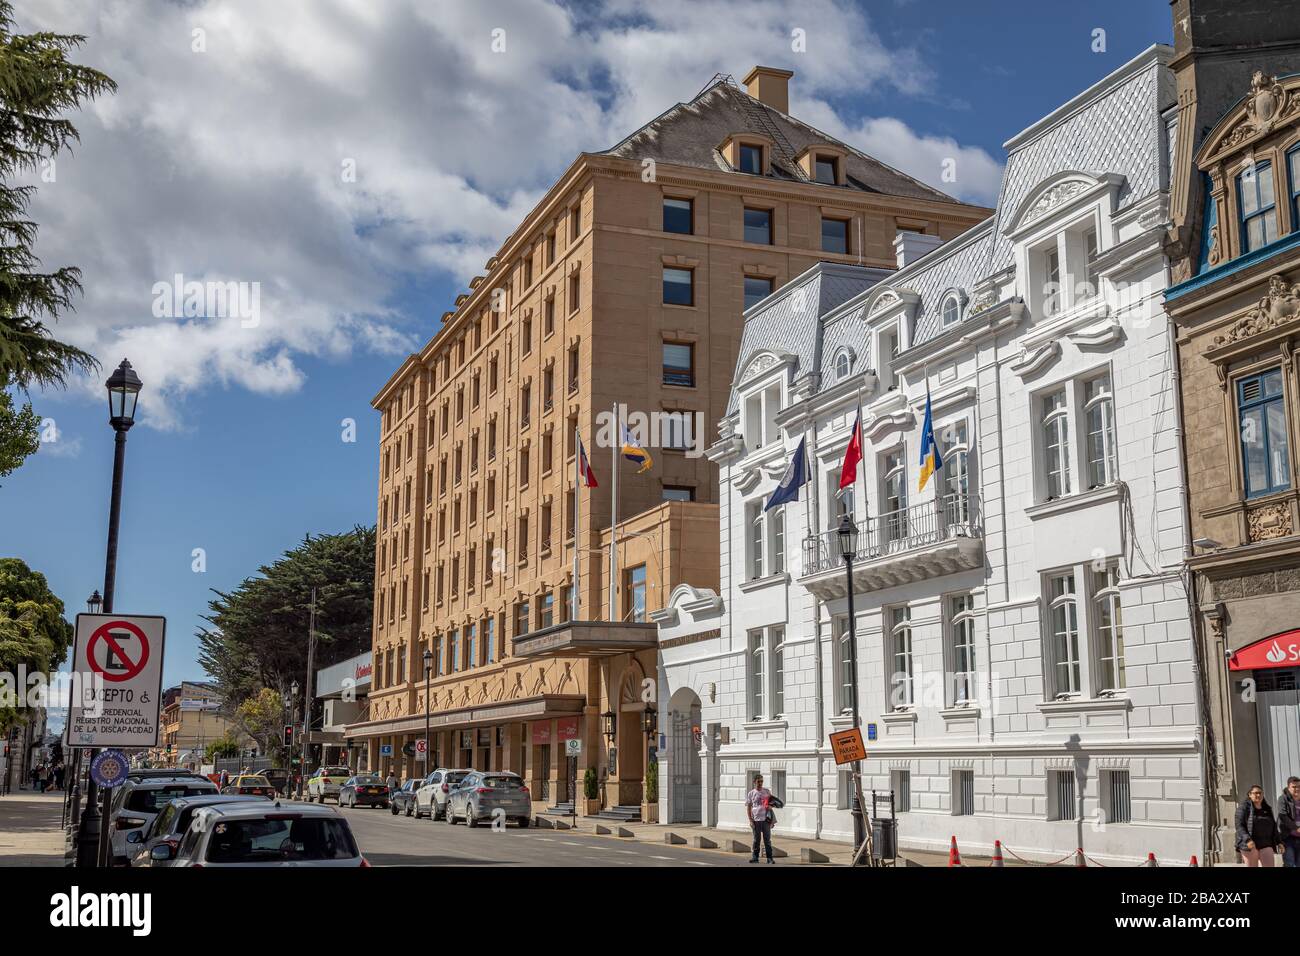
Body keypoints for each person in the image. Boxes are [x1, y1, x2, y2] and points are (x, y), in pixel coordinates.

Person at [1235, 784, 1280, 867]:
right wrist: (1247, 840)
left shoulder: (1267, 808)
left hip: (1266, 844)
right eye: (1255, 793)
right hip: (1250, 845)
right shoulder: (1243, 808)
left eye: (1260, 793)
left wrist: (1279, 842)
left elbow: (1273, 827)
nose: (1258, 795)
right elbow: (1239, 826)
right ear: (1249, 794)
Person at [745, 772, 776, 864]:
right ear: (754, 782)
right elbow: (749, 807)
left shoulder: (766, 791)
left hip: (766, 819)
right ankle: (755, 857)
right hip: (756, 820)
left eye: (762, 781)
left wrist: (771, 807)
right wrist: (750, 820)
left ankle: (769, 858)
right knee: (756, 839)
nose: (760, 783)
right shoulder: (751, 793)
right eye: (759, 781)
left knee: (767, 840)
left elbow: (772, 803)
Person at [1278, 776, 1300, 868]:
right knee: (1289, 864)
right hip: (1288, 837)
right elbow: (1283, 816)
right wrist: (1297, 828)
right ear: (1288, 787)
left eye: (1298, 786)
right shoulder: (1283, 799)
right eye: (1294, 787)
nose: (1297, 789)